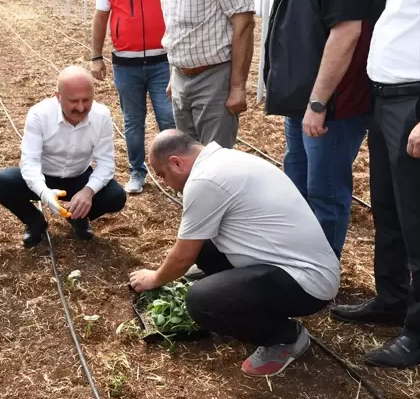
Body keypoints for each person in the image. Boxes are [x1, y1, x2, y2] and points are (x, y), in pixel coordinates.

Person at [129, 129, 340, 377]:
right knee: (204, 247)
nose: (164, 182)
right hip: (298, 263)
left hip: (307, 284)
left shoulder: (205, 181)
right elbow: (190, 246)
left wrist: (155, 278)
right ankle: (236, 293)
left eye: (162, 175)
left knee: (201, 301)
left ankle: (285, 338)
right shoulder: (225, 159)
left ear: (176, 162)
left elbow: (182, 256)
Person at [330, 0, 420, 369]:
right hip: (385, 97)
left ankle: (417, 335)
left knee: (416, 221)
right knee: (388, 209)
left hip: (413, 102)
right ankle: (391, 300)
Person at [263, 0, 386, 259]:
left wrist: (318, 103)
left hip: (331, 108)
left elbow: (346, 33)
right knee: (298, 185)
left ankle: (322, 269)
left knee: (325, 192)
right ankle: (296, 260)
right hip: (301, 103)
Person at [0, 66, 127, 247]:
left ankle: (78, 216)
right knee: (2, 182)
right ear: (58, 97)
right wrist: (44, 193)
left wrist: (88, 192)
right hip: (44, 175)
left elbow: (106, 163)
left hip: (79, 176)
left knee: (115, 196)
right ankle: (34, 221)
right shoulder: (39, 114)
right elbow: (30, 162)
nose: (81, 107)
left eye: (87, 100)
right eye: (73, 101)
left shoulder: (101, 115)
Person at [91, 0, 175, 194]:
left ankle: (175, 174)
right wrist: (96, 57)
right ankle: (137, 172)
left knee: (168, 116)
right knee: (133, 121)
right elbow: (101, 17)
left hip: (162, 61)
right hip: (126, 64)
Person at [158, 0, 255, 148]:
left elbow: (244, 24)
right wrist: (173, 74)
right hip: (180, 76)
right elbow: (174, 27)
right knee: (187, 155)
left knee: (215, 158)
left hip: (215, 77)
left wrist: (237, 87)